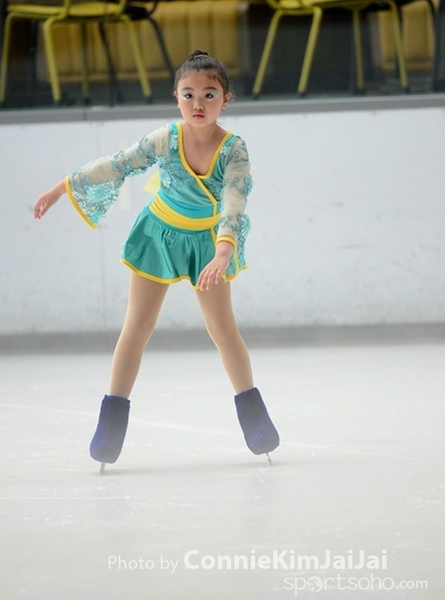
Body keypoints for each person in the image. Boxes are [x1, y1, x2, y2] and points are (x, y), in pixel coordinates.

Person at [34, 50, 279, 471]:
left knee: (222, 328)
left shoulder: (234, 149)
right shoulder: (165, 139)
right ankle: (111, 420)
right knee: (137, 325)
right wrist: (63, 187)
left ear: (226, 99)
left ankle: (254, 415)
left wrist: (224, 249)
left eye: (209, 94)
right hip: (158, 235)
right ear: (176, 98)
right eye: (188, 95)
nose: (198, 104)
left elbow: (234, 200)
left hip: (208, 242)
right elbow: (118, 165)